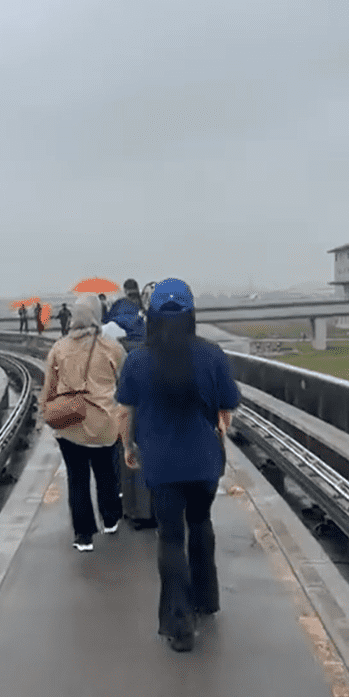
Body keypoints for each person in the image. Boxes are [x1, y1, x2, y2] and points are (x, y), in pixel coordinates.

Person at [116, 278, 240, 652]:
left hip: (162, 464)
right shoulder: (212, 354)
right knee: (201, 524)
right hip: (203, 462)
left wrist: (129, 447)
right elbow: (227, 408)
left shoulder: (137, 360)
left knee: (171, 537)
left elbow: (124, 412)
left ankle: (179, 624)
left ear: (151, 316)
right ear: (192, 316)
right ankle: (206, 600)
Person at [39, 293, 126, 551]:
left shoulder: (59, 348)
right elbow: (125, 382)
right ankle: (110, 519)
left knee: (77, 479)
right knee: (106, 473)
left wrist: (47, 412)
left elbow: (49, 388)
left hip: (70, 424)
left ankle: (83, 536)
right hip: (104, 423)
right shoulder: (111, 346)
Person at [104, 278, 146, 349]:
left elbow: (107, 320)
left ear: (125, 290)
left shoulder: (119, 303)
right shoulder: (144, 304)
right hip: (142, 343)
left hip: (123, 343)